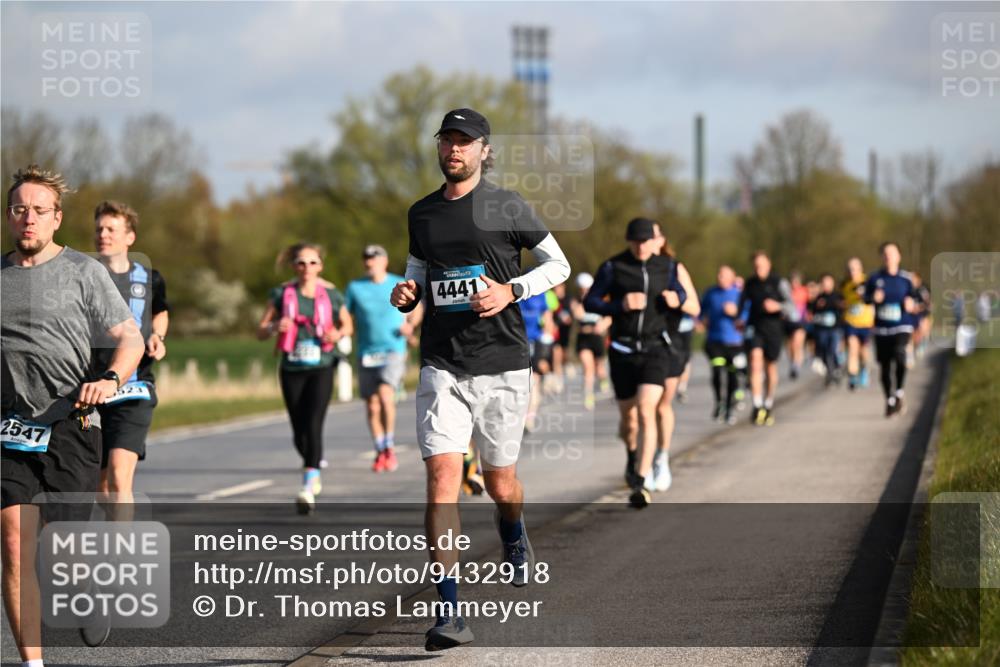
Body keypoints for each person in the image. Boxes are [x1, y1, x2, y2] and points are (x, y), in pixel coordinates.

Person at [390, 108, 570, 651]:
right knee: (444, 478)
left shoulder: (505, 204)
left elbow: (557, 264)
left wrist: (511, 290)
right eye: (447, 140)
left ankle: (513, 531)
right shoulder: (421, 214)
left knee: (499, 484)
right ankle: (449, 611)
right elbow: (418, 270)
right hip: (442, 363)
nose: (455, 149)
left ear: (484, 150)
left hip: (503, 364)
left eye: (465, 142)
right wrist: (406, 292)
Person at [2, 165, 144, 660]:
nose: (29, 220)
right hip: (10, 429)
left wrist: (109, 380)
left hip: (71, 422)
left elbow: (130, 336)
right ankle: (32, 662)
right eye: (20, 210)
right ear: (9, 215)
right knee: (17, 546)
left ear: (56, 218)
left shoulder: (84, 272)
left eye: (39, 211)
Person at [584, 218, 688, 508]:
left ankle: (641, 482)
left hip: (656, 348)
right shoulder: (613, 267)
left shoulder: (666, 266)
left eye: (646, 241)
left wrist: (674, 298)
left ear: (654, 240)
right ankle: (632, 455)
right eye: (636, 241)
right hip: (622, 350)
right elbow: (590, 302)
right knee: (629, 419)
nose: (641, 246)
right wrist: (619, 306)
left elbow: (681, 293)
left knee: (646, 411)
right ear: (629, 241)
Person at [257, 243, 353, 514]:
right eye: (301, 263)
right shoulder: (281, 294)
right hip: (291, 366)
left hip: (321, 365)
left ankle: (309, 482)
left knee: (313, 423)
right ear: (294, 267)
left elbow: (348, 325)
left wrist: (337, 334)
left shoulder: (332, 295)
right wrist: (275, 326)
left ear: (320, 266)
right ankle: (312, 459)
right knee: (298, 429)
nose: (307, 268)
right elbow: (261, 330)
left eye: (312, 263)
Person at [92, 201, 170, 510]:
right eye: (99, 228)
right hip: (92, 390)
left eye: (112, 229)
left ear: (130, 237)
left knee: (119, 477)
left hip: (134, 388)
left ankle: (119, 554)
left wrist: (158, 336)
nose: (103, 234)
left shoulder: (150, 278)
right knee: (99, 489)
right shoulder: (82, 276)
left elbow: (160, 312)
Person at [345, 244, 422, 473]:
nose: (370, 262)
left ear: (384, 261)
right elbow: (345, 315)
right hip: (366, 351)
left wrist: (410, 325)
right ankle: (380, 449)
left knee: (386, 395)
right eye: (367, 258)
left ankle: (388, 445)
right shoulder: (355, 288)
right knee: (371, 404)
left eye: (375, 258)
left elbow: (417, 306)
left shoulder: (397, 283)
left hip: (393, 347)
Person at [650, 225, 699, 493]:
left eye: (653, 236)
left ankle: (661, 458)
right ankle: (641, 461)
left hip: (670, 343)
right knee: (639, 409)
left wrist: (675, 301)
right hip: (642, 343)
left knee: (660, 405)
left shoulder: (674, 268)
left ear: (661, 240)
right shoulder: (633, 269)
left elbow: (695, 307)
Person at [864, 242, 916, 417]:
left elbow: (916, 299)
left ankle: (899, 391)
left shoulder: (906, 279)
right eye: (885, 254)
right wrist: (873, 298)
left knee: (900, 355)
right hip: (881, 329)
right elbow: (865, 299)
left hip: (902, 325)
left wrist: (911, 303)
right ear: (882, 257)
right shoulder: (874, 278)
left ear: (899, 256)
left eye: (892, 253)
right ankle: (890, 399)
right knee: (885, 367)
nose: (889, 257)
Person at [739, 251, 787, 426]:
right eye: (756, 266)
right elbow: (741, 303)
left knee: (770, 369)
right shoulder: (750, 283)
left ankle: (768, 404)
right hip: (755, 327)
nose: (758, 269)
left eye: (761, 265)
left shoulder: (779, 282)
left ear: (769, 264)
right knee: (755, 361)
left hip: (774, 329)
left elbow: (793, 308)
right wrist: (738, 318)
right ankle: (757, 405)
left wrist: (778, 306)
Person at [700, 265, 745, 424]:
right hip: (715, 340)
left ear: (732, 278)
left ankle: (729, 407)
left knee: (733, 374)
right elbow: (700, 310)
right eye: (719, 275)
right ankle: (719, 402)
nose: (721, 278)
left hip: (734, 342)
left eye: (725, 276)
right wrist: (700, 321)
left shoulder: (739, 294)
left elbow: (748, 314)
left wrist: (736, 314)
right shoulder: (711, 293)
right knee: (717, 370)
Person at [570, 272, 610, 411]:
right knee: (588, 367)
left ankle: (603, 379)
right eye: (582, 289)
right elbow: (578, 315)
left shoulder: (600, 299)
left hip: (597, 339)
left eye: (587, 289)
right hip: (584, 340)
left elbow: (608, 317)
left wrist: (602, 325)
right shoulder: (576, 301)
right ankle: (588, 394)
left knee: (599, 368)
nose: (585, 292)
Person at [519, 291, 555, 432]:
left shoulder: (515, 293)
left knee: (526, 384)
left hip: (520, 343)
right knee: (534, 383)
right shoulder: (541, 296)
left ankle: (527, 419)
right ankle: (529, 419)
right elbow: (548, 323)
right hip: (535, 343)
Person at [840, 257, 874, 391]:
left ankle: (864, 369)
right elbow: (842, 299)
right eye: (849, 269)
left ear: (860, 269)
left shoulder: (868, 281)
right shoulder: (845, 284)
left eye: (854, 269)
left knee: (863, 352)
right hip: (851, 322)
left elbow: (873, 299)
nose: (852, 272)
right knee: (852, 348)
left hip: (865, 322)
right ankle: (852, 376)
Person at [809, 273, 844, 386]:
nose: (826, 285)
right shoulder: (819, 298)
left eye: (828, 282)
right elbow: (811, 311)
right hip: (822, 329)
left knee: (832, 349)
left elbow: (842, 308)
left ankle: (836, 367)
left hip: (834, 329)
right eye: (824, 283)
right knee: (824, 350)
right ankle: (829, 372)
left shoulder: (838, 296)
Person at [784, 270, 809, 380]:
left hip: (800, 321)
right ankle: (793, 362)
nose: (794, 284)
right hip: (788, 322)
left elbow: (810, 303)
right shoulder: (787, 292)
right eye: (792, 282)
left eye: (796, 281)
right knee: (789, 346)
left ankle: (797, 365)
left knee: (797, 343)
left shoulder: (804, 291)